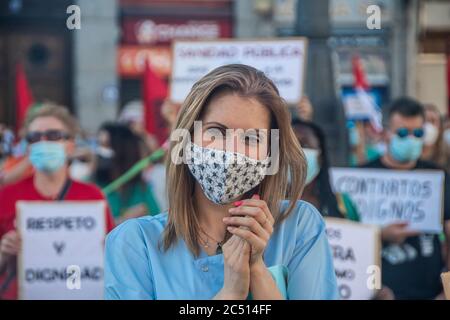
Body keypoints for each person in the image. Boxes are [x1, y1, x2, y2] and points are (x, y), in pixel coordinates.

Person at [104, 64, 338, 300]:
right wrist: (231, 293)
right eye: (216, 132)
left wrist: (257, 270)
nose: (232, 151)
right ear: (185, 140)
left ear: (271, 154)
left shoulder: (299, 227)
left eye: (251, 138)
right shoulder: (135, 243)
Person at [0, 103, 115, 300]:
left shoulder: (92, 197)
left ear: (70, 145)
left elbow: (110, 258)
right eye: (34, 137)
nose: (43, 142)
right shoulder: (5, 197)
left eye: (53, 136)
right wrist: (4, 252)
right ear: (28, 147)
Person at [361, 97, 450, 300]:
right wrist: (380, 234)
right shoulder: (363, 176)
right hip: (375, 293)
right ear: (385, 134)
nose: (411, 139)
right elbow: (349, 236)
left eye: (418, 133)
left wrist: (447, 290)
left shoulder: (438, 177)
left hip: (430, 293)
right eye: (402, 133)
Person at [291, 119, 359, 221]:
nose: (296, 153)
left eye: (304, 145)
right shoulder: (265, 201)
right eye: (289, 146)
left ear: (320, 156)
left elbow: (361, 233)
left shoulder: (342, 204)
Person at [93, 122, 160, 225]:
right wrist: (123, 220)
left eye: (106, 146)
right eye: (99, 145)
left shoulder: (141, 188)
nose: (100, 151)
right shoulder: (91, 186)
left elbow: (158, 228)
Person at [421, 103, 449, 172]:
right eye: (424, 121)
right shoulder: (410, 155)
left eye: (432, 121)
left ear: (440, 128)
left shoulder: (447, 154)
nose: (428, 125)